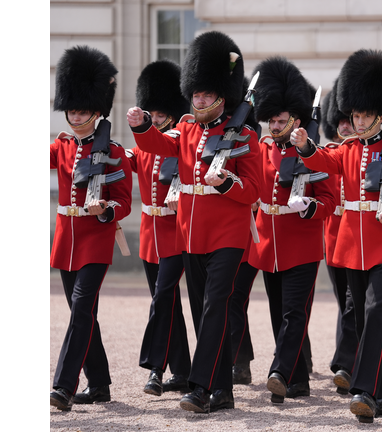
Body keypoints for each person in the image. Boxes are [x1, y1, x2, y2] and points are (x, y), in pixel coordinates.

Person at [127, 30, 260, 413]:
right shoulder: (186, 129)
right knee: (204, 311)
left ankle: (200, 386)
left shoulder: (245, 136)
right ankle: (222, 390)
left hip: (229, 234)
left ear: (222, 96)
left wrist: (227, 183)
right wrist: (141, 127)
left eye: (205, 94)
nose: (199, 100)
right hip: (191, 233)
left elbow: (253, 190)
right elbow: (159, 146)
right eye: (196, 94)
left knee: (215, 305)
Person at [293, 48, 382, 423]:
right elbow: (323, 161)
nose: (358, 121)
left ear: (381, 114)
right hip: (352, 249)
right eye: (356, 114)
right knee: (363, 320)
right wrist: (304, 146)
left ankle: (364, 390)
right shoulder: (347, 150)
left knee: (378, 313)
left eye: (365, 115)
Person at [247, 56, 335, 403]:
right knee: (277, 312)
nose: (273, 125)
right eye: (270, 119)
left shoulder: (314, 152)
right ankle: (298, 379)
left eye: (280, 120)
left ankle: (279, 371)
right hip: (268, 243)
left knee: (294, 313)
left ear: (296, 120)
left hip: (302, 242)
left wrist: (311, 207)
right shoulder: (263, 148)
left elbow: (328, 200)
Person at [50, 45, 132, 411]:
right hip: (66, 240)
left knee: (82, 311)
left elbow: (125, 201)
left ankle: (64, 386)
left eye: (83, 111)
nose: (76, 116)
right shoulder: (64, 146)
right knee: (83, 315)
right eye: (72, 110)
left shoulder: (113, 150)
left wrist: (105, 209)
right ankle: (99, 385)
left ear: (96, 112)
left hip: (96, 240)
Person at [127, 59, 192, 397]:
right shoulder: (144, 145)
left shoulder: (180, 143)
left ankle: (155, 368)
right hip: (149, 234)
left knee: (163, 297)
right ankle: (182, 371)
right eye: (152, 111)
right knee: (166, 301)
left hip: (176, 233)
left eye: (160, 112)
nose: (156, 116)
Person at [319, 79, 361, 394]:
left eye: (351, 121)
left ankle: (346, 363)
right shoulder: (333, 153)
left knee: (353, 303)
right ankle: (350, 361)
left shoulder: (362, 153)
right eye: (343, 122)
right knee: (344, 302)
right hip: (334, 238)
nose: (347, 127)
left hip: (360, 237)